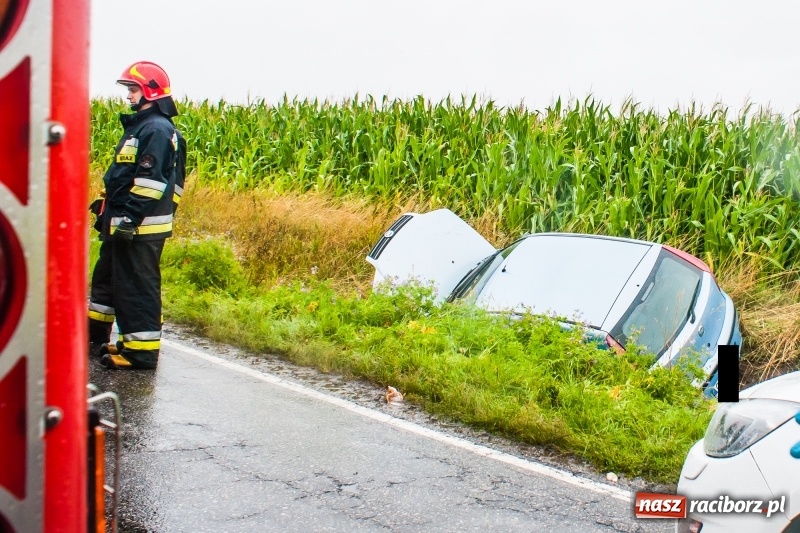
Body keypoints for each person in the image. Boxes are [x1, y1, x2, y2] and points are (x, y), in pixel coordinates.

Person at [88, 61, 185, 369]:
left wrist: (130, 219)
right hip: (126, 222)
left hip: (139, 227)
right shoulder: (143, 127)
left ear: (150, 92)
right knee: (111, 282)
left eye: (133, 89)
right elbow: (125, 177)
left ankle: (140, 353)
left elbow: (150, 183)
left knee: (136, 289)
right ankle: (104, 340)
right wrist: (106, 207)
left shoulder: (156, 129)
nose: (128, 95)